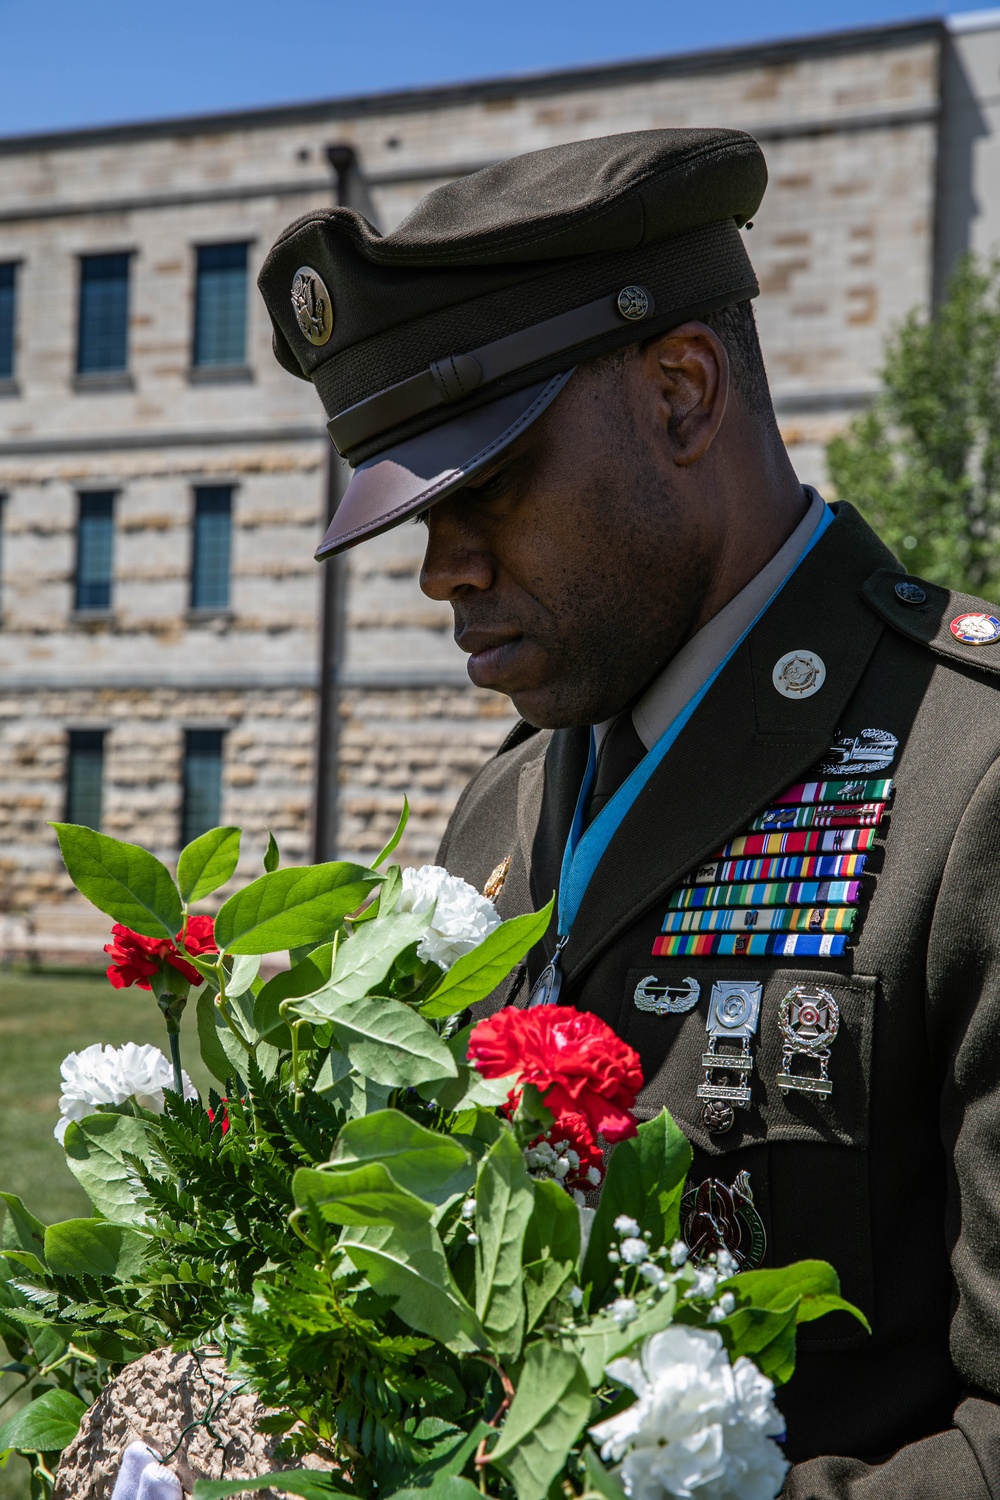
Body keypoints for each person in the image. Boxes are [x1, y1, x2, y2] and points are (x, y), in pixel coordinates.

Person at [259, 129, 1000, 1497]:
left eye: (483, 487)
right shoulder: (507, 803)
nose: (441, 571)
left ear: (679, 392)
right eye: (414, 514)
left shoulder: (972, 778)